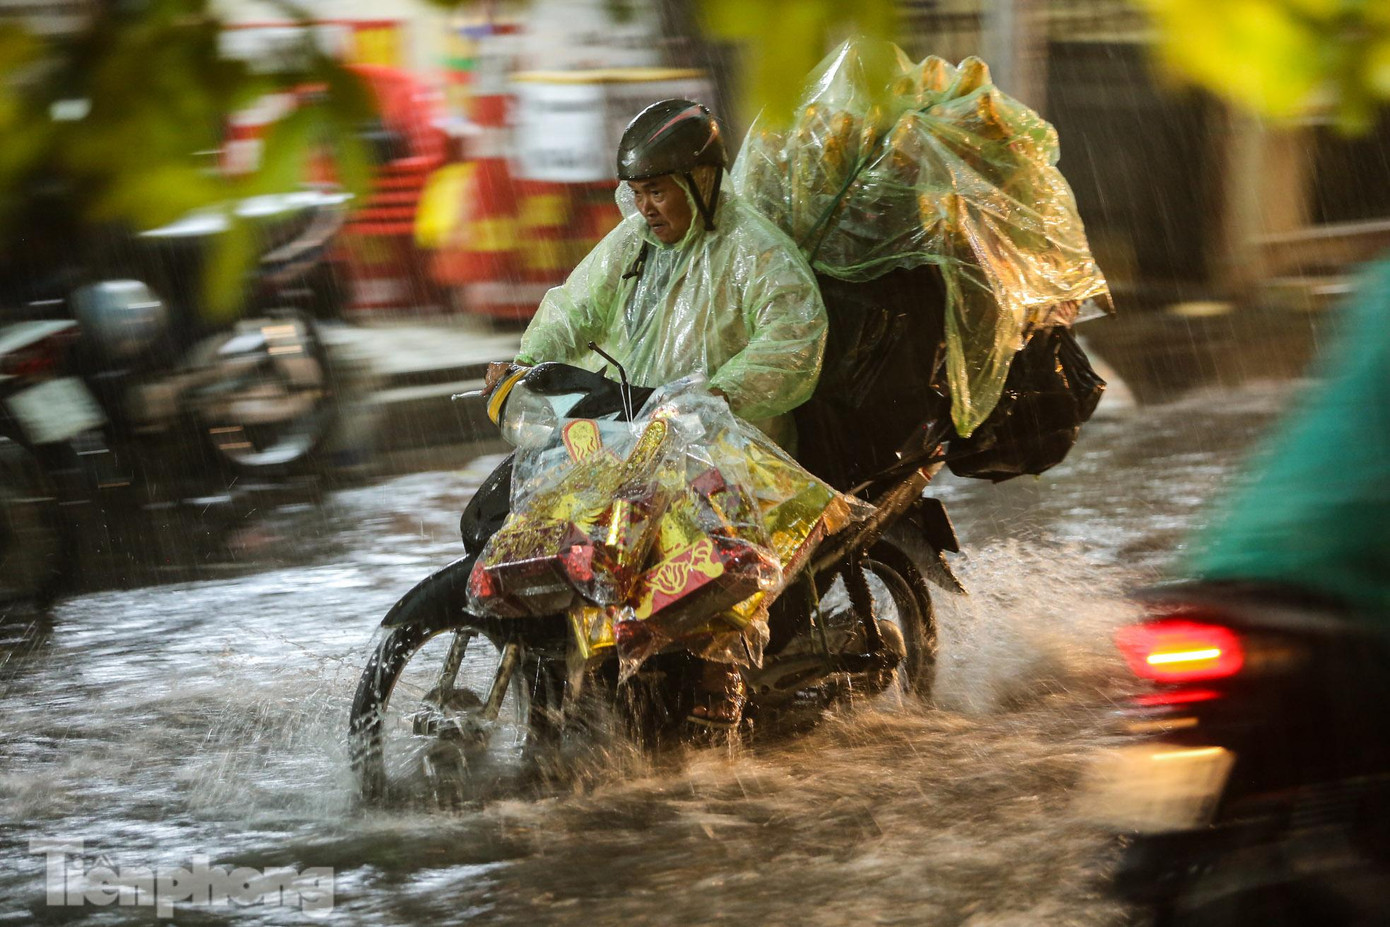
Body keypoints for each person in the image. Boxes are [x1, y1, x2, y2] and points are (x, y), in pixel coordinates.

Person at [484, 99, 829, 726]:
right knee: (560, 532)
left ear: (700, 183)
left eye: (660, 191)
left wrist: (721, 395)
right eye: (638, 191)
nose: (646, 206)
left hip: (729, 444)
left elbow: (793, 338)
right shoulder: (636, 242)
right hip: (635, 429)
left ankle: (719, 687)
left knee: (694, 575)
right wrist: (523, 365)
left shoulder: (754, 249)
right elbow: (572, 308)